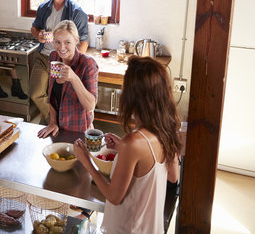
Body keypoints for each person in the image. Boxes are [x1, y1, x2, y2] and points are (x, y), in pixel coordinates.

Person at [73, 56, 181, 233]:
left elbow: (114, 197)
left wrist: (86, 161)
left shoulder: (133, 143)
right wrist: (123, 147)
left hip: (128, 229)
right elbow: (173, 177)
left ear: (133, 95)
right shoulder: (167, 130)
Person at [30, 0, 89, 124]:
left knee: (56, 96)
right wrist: (39, 35)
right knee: (35, 93)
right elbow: (34, 28)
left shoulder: (77, 12)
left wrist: (73, 64)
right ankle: (54, 120)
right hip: (43, 57)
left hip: (62, 61)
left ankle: (51, 122)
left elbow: (83, 41)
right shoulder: (43, 7)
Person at [37, 20, 98, 138]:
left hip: (78, 130)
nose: (62, 48)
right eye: (57, 42)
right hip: (57, 128)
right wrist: (53, 122)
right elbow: (52, 95)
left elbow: (90, 106)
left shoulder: (88, 64)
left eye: (67, 42)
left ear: (76, 40)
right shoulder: (54, 56)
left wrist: (74, 78)